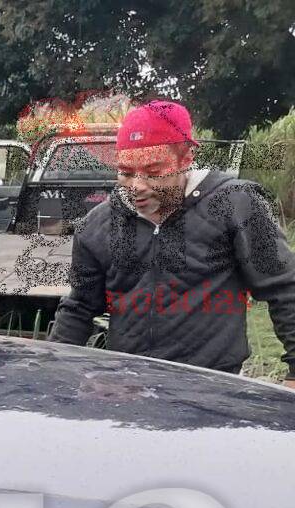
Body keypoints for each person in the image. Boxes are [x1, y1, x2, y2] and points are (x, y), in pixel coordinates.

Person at [52, 100, 295, 386]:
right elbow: (79, 307)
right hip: (128, 387)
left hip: (214, 386)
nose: (138, 185)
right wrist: (53, 372)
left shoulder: (237, 204)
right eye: (126, 173)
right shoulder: (98, 225)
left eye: (154, 172)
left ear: (186, 158)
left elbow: (284, 287)